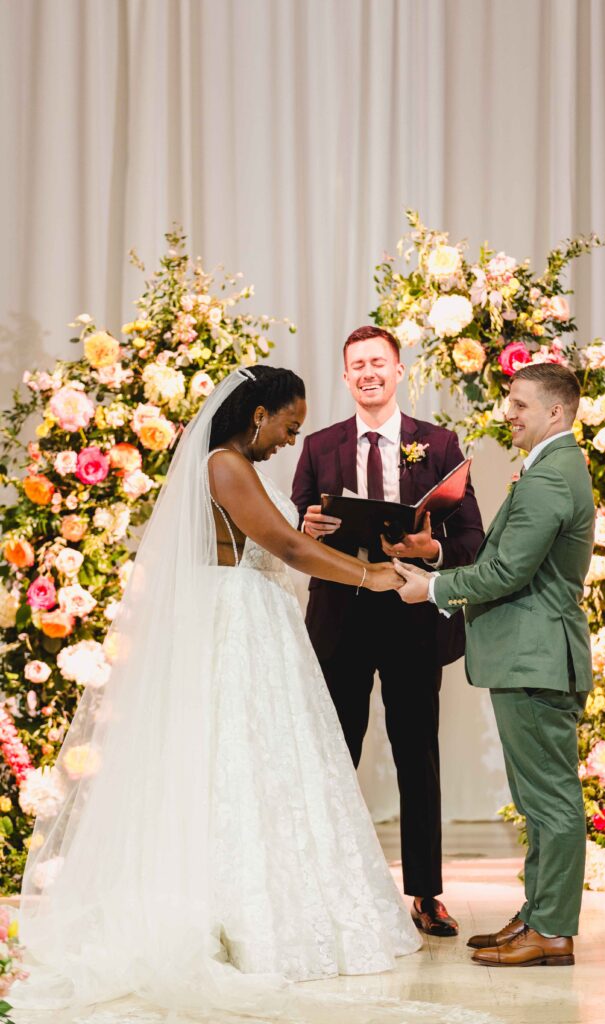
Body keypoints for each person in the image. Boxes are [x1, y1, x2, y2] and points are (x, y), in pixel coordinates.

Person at [14, 366, 437, 1021]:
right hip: (235, 620)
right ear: (257, 412)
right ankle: (237, 911)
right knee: (233, 757)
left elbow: (275, 539)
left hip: (250, 616)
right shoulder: (224, 464)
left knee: (260, 761)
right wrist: (372, 576)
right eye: (287, 428)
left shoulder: (233, 462)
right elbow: (285, 545)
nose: (287, 443)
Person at [394, 362, 595, 967]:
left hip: (535, 658)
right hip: (527, 657)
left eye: (520, 404)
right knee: (538, 801)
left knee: (552, 802)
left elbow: (508, 570)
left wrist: (430, 587)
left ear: (555, 412)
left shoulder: (551, 477)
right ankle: (538, 913)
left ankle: (553, 929)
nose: (508, 413)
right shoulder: (552, 468)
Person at [292, 326, 484, 937]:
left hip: (411, 613)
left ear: (399, 370)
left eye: (379, 361)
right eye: (357, 365)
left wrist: (434, 547)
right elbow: (295, 527)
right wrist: (310, 525)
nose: (368, 372)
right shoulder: (320, 445)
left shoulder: (439, 442)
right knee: (334, 752)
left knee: (416, 755)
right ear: (345, 378)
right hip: (340, 616)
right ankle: (326, 884)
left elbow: (472, 539)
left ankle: (426, 893)